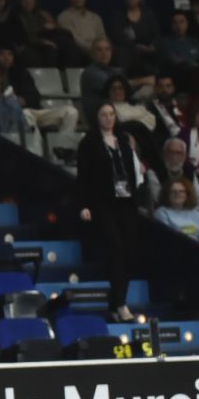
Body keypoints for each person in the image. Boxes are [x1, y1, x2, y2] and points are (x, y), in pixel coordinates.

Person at [76, 102, 146, 323]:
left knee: (129, 251)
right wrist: (84, 205)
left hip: (126, 201)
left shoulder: (123, 141)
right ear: (96, 118)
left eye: (111, 114)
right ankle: (120, 304)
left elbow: (133, 173)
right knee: (115, 248)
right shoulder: (88, 143)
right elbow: (83, 176)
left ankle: (116, 302)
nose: (108, 118)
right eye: (103, 114)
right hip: (103, 203)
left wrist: (137, 198)